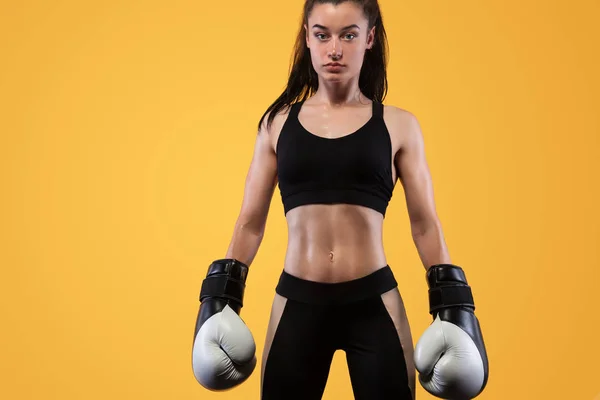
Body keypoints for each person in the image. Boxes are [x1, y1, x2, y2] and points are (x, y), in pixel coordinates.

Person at [191, 1, 489, 399]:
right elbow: (250, 222)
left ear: (368, 39)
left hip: (374, 303)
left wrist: (454, 308)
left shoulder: (399, 125)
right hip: (297, 303)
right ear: (308, 40)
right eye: (322, 35)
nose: (334, 49)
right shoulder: (276, 124)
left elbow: (424, 224)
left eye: (348, 35)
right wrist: (220, 298)